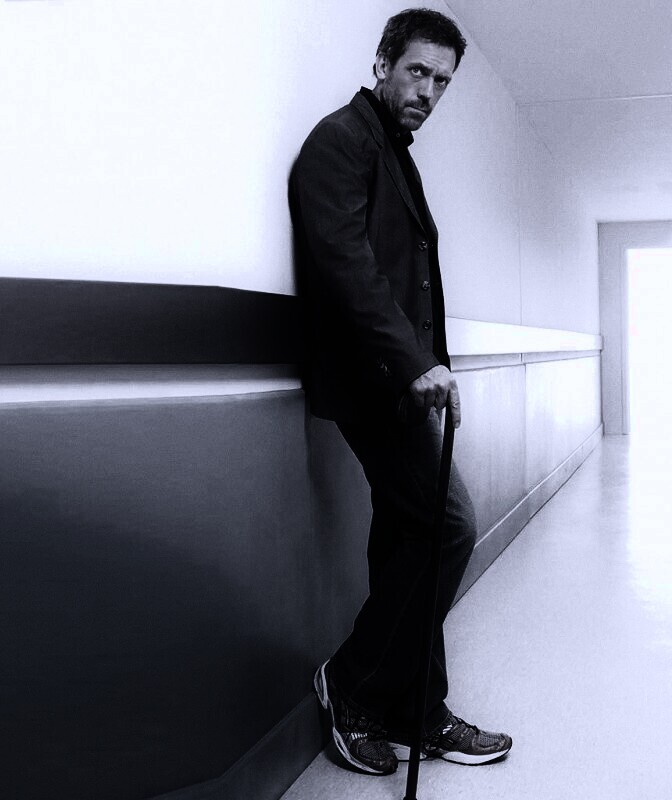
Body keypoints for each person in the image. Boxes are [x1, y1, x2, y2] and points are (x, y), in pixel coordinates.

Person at [288, 8, 512, 776]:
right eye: (418, 72)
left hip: (404, 385)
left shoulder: (391, 151)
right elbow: (347, 266)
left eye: (442, 82)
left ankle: (417, 711)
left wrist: (430, 366)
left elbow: (406, 275)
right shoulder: (341, 142)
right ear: (383, 62)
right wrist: (416, 364)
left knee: (407, 545)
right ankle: (351, 684)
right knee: (449, 529)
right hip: (374, 383)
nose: (428, 92)